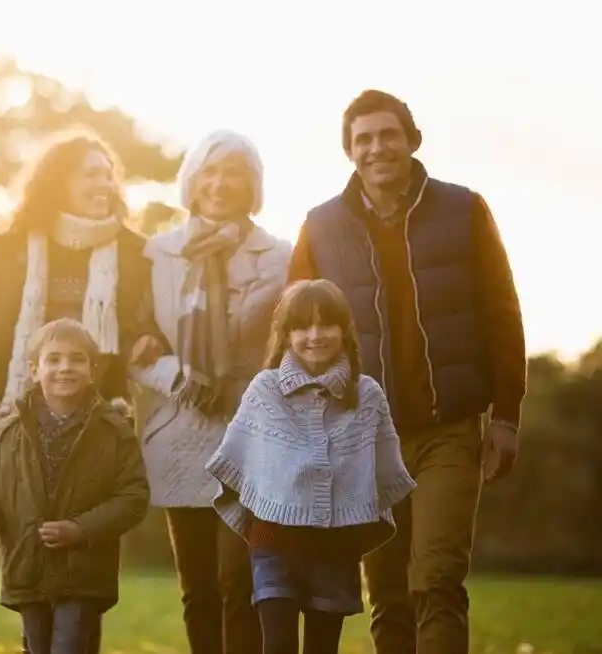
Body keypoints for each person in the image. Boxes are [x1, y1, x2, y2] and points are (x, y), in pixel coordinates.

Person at [287, 89, 527, 654]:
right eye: (362, 139)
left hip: (449, 429)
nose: (376, 148)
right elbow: (293, 330)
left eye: (387, 135)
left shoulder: (464, 210)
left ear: (412, 141)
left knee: (436, 581)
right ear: (349, 152)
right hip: (362, 437)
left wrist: (507, 417)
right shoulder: (320, 226)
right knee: (389, 595)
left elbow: (502, 314)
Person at [131, 130, 292, 654]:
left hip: (251, 435)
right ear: (192, 183)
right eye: (210, 172)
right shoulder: (156, 254)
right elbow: (134, 343)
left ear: (253, 186)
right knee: (197, 589)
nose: (221, 184)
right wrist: (176, 374)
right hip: (180, 433)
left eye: (234, 173)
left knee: (238, 582)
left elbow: (295, 341)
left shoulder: (279, 258)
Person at [205, 279, 416, 654]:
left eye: (326, 324)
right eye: (302, 326)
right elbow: (238, 467)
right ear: (286, 335)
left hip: (337, 544)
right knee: (279, 644)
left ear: (344, 330)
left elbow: (384, 476)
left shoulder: (366, 395)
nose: (315, 335)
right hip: (272, 540)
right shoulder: (264, 390)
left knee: (322, 647)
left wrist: (357, 519)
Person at [0, 318, 150, 654]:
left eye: (76, 359)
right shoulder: (6, 432)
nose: (65, 368)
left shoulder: (114, 432)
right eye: (53, 359)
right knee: (37, 647)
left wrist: (80, 529)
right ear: (33, 370)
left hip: (84, 572)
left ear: (93, 370)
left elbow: (133, 498)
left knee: (69, 645)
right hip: (28, 567)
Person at [0, 128, 166, 411]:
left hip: (106, 414)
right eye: (91, 174)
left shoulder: (138, 254)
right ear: (59, 182)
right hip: (24, 414)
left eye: (109, 176)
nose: (105, 184)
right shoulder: (9, 251)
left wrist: (150, 338)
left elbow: (154, 324)